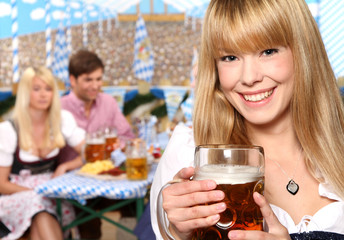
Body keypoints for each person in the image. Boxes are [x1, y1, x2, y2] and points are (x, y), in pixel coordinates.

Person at [150, 0, 344, 239]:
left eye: (268, 51)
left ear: (304, 52)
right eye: (230, 57)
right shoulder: (188, 153)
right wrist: (179, 234)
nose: (249, 78)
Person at [0, 67, 85, 240]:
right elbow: (1, 184)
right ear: (25, 93)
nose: (43, 95)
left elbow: (91, 153)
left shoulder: (61, 120)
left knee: (40, 220)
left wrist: (64, 166)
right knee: (37, 205)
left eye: (48, 89)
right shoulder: (8, 130)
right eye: (36, 89)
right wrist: (36, 192)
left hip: (52, 194)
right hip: (17, 195)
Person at [60, 50, 135, 239]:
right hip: (74, 185)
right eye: (88, 80)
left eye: (99, 79)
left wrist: (121, 143)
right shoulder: (60, 107)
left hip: (106, 179)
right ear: (73, 79)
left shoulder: (108, 103)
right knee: (87, 223)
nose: (95, 86)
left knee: (134, 203)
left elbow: (128, 136)